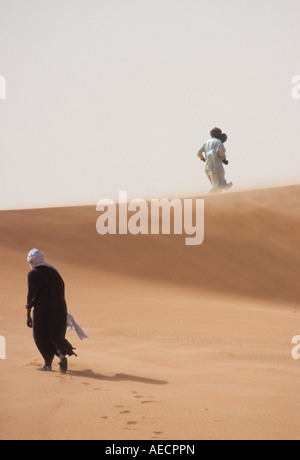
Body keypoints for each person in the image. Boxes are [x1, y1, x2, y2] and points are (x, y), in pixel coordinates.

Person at [26, 249, 77, 373]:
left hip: (42, 308)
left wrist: (28, 314)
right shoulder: (54, 271)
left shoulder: (33, 274)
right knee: (55, 335)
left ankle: (48, 364)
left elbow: (31, 295)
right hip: (60, 306)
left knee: (39, 335)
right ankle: (62, 356)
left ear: (32, 261)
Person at [197, 127, 233, 193]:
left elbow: (198, 152)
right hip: (217, 165)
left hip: (208, 165)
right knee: (217, 182)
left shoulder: (206, 143)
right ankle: (212, 196)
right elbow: (221, 152)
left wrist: (203, 159)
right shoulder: (219, 142)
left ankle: (223, 186)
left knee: (215, 181)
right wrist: (224, 159)